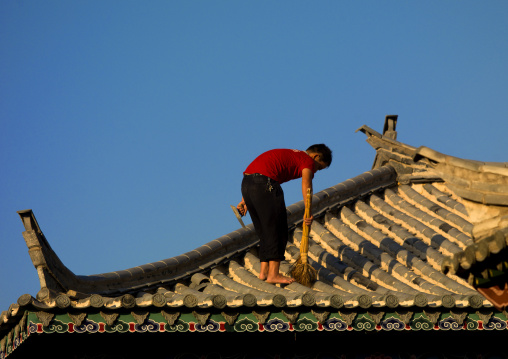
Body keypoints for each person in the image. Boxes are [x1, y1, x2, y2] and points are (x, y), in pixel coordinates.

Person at [237, 144, 332, 284]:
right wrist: (308, 211)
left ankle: (263, 272)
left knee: (264, 230)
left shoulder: (294, 155)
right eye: (319, 167)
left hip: (247, 184)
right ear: (315, 156)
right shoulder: (307, 160)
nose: (315, 171)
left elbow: (257, 172)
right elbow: (307, 185)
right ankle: (273, 274)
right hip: (265, 184)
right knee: (278, 229)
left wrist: (244, 200)